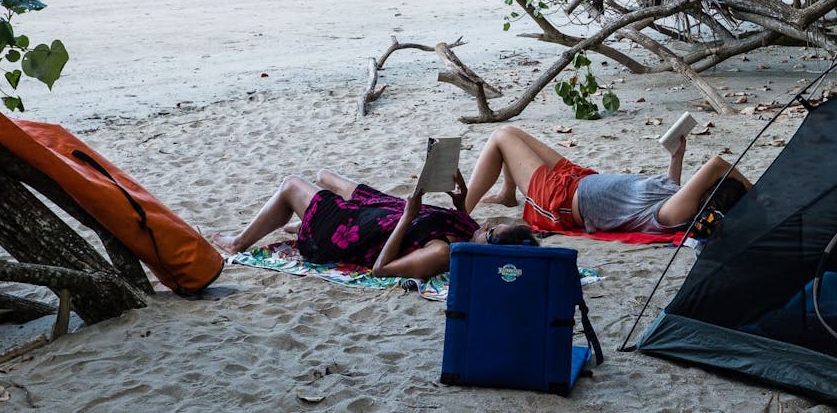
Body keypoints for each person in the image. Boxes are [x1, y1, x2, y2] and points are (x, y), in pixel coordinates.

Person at [210, 169, 537, 280]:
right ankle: (304, 221)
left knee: (291, 185)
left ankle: (238, 242)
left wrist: (409, 215)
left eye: (491, 231)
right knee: (325, 175)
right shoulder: (470, 234)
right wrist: (459, 201)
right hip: (380, 211)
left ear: (489, 252)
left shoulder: (443, 253)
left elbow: (381, 270)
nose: (487, 224)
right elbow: (459, 224)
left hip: (352, 234)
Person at [463, 125, 752, 235]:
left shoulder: (674, 215)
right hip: (580, 178)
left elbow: (716, 165)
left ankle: (462, 211)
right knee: (513, 132)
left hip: (561, 200)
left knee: (501, 137)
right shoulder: (677, 201)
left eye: (708, 188)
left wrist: (762, 197)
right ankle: (506, 193)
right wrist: (676, 158)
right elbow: (669, 189)